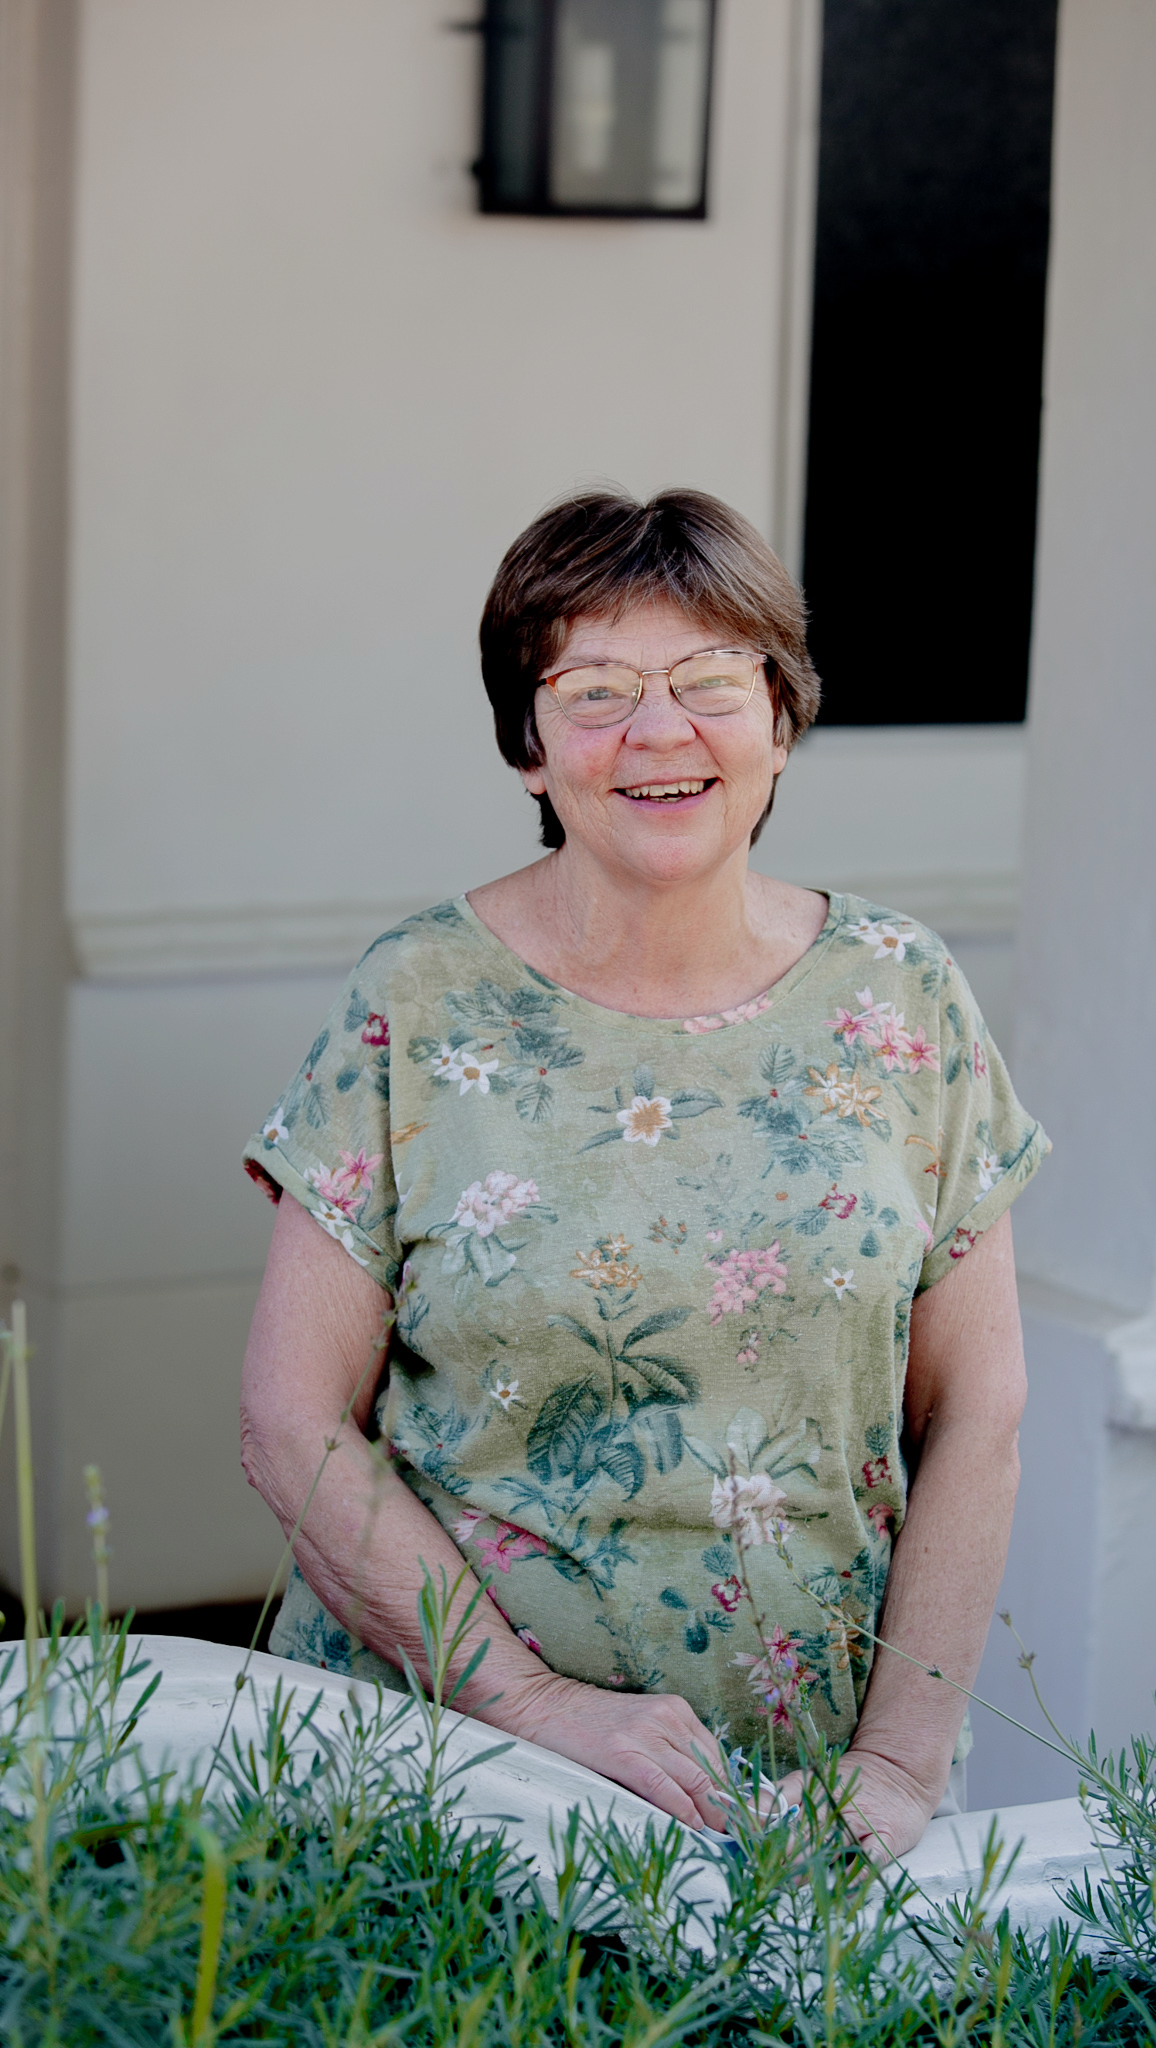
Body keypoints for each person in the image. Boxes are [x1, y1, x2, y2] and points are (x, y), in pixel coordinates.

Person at [240, 488, 1047, 1862]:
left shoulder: (901, 993)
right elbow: (290, 1420)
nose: (658, 732)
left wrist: (897, 1770)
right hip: (443, 1780)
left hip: (806, 1803)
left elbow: (979, 1411)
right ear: (528, 745)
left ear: (780, 720)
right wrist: (534, 1706)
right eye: (596, 690)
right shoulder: (417, 997)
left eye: (712, 681)